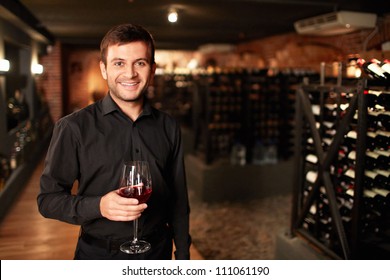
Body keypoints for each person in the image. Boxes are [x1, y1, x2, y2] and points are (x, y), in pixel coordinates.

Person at [37, 23, 191, 260]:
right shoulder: (73, 127)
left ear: (152, 70)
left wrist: (182, 255)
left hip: (158, 252)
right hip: (99, 255)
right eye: (119, 63)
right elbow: (48, 201)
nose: (130, 74)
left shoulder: (168, 126)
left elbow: (179, 199)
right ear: (104, 69)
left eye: (140, 63)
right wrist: (98, 206)